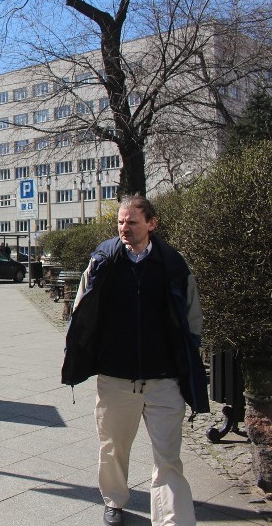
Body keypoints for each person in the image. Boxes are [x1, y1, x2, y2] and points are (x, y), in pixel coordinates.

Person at [61, 195, 209, 526]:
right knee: (113, 449)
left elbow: (192, 317)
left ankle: (172, 519)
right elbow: (82, 307)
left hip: (163, 378)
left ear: (151, 224)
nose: (124, 228)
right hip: (115, 377)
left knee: (168, 456)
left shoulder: (173, 264)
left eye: (132, 222)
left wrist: (186, 359)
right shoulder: (104, 260)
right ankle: (114, 501)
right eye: (120, 222)